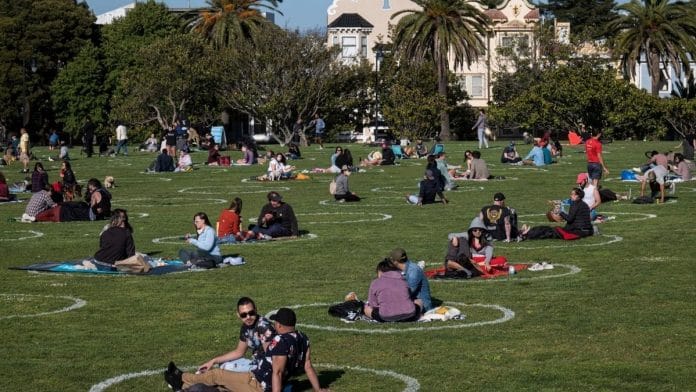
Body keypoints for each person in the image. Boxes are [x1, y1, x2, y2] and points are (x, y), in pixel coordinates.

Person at [166, 307, 328, 392]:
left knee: (217, 375)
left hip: (258, 384)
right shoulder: (303, 337)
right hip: (258, 382)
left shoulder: (280, 341)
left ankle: (180, 378)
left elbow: (277, 373)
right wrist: (318, 389)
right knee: (221, 388)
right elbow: (307, 366)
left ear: (278, 325)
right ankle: (184, 387)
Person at [193, 297, 275, 375]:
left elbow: (271, 357)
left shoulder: (264, 327)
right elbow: (239, 352)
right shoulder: (246, 326)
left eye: (251, 313)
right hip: (255, 362)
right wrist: (213, 361)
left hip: (263, 368)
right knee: (223, 363)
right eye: (244, 315)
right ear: (238, 315)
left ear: (256, 310)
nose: (248, 317)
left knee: (226, 367)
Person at [521, 188, 593, 240]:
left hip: (577, 232)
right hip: (587, 231)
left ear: (577, 196)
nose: (570, 196)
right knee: (550, 230)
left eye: (572, 194)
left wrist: (560, 212)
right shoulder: (584, 205)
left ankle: (528, 234)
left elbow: (570, 219)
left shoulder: (575, 204)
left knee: (547, 230)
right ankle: (529, 232)